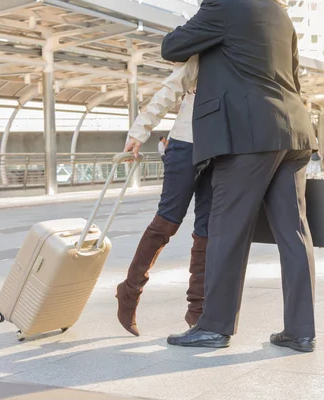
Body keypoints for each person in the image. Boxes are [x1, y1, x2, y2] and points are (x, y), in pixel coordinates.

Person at [162, 0, 319, 352]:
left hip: (248, 135)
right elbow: (294, 76)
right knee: (294, 235)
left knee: (226, 230)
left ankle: (214, 327)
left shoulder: (222, 5)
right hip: (292, 131)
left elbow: (171, 47)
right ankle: (301, 330)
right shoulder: (280, 13)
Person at [116, 55, 212, 336]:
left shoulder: (241, 53)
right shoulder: (202, 56)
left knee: (207, 230)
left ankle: (197, 312)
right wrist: (139, 132)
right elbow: (170, 90)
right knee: (167, 222)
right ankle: (129, 291)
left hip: (219, 150)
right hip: (185, 145)